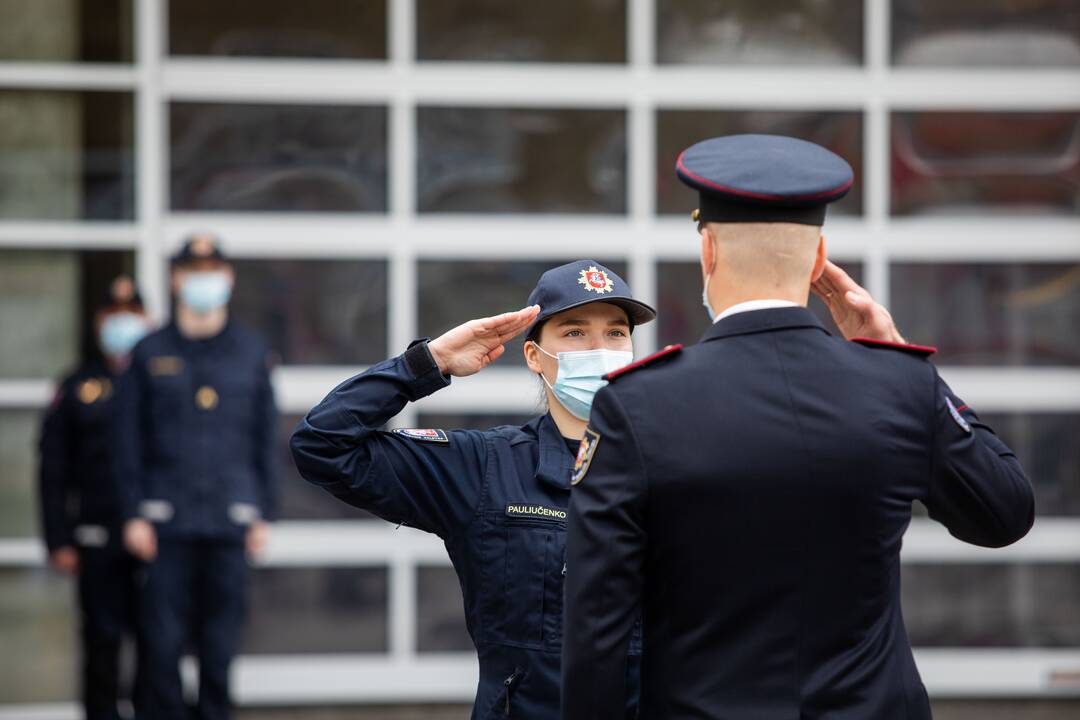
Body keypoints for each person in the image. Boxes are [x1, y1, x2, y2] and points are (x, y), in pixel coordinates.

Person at [561, 134, 1036, 720]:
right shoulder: (899, 383)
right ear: (818, 260)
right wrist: (900, 359)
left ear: (707, 250)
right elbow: (1003, 513)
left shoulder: (640, 404)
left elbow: (596, 626)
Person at [290, 260, 653, 719]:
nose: (601, 349)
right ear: (535, 357)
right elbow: (323, 445)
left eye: (616, 333)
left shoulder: (679, 466)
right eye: (575, 333)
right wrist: (428, 362)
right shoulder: (485, 467)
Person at [114, 234, 278, 720]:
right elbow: (128, 442)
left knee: (219, 651)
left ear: (227, 278)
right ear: (176, 279)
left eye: (212, 270)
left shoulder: (251, 351)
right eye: (193, 271)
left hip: (229, 522)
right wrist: (133, 514)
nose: (204, 280)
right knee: (161, 651)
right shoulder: (148, 353)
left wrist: (263, 512)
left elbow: (264, 438)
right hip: (165, 524)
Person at [39, 276, 151, 720]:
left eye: (132, 315)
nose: (123, 324)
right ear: (99, 321)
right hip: (97, 535)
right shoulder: (77, 385)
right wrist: (58, 538)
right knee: (102, 643)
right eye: (114, 315)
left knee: (156, 646)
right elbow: (53, 467)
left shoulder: (159, 379)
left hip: (154, 536)